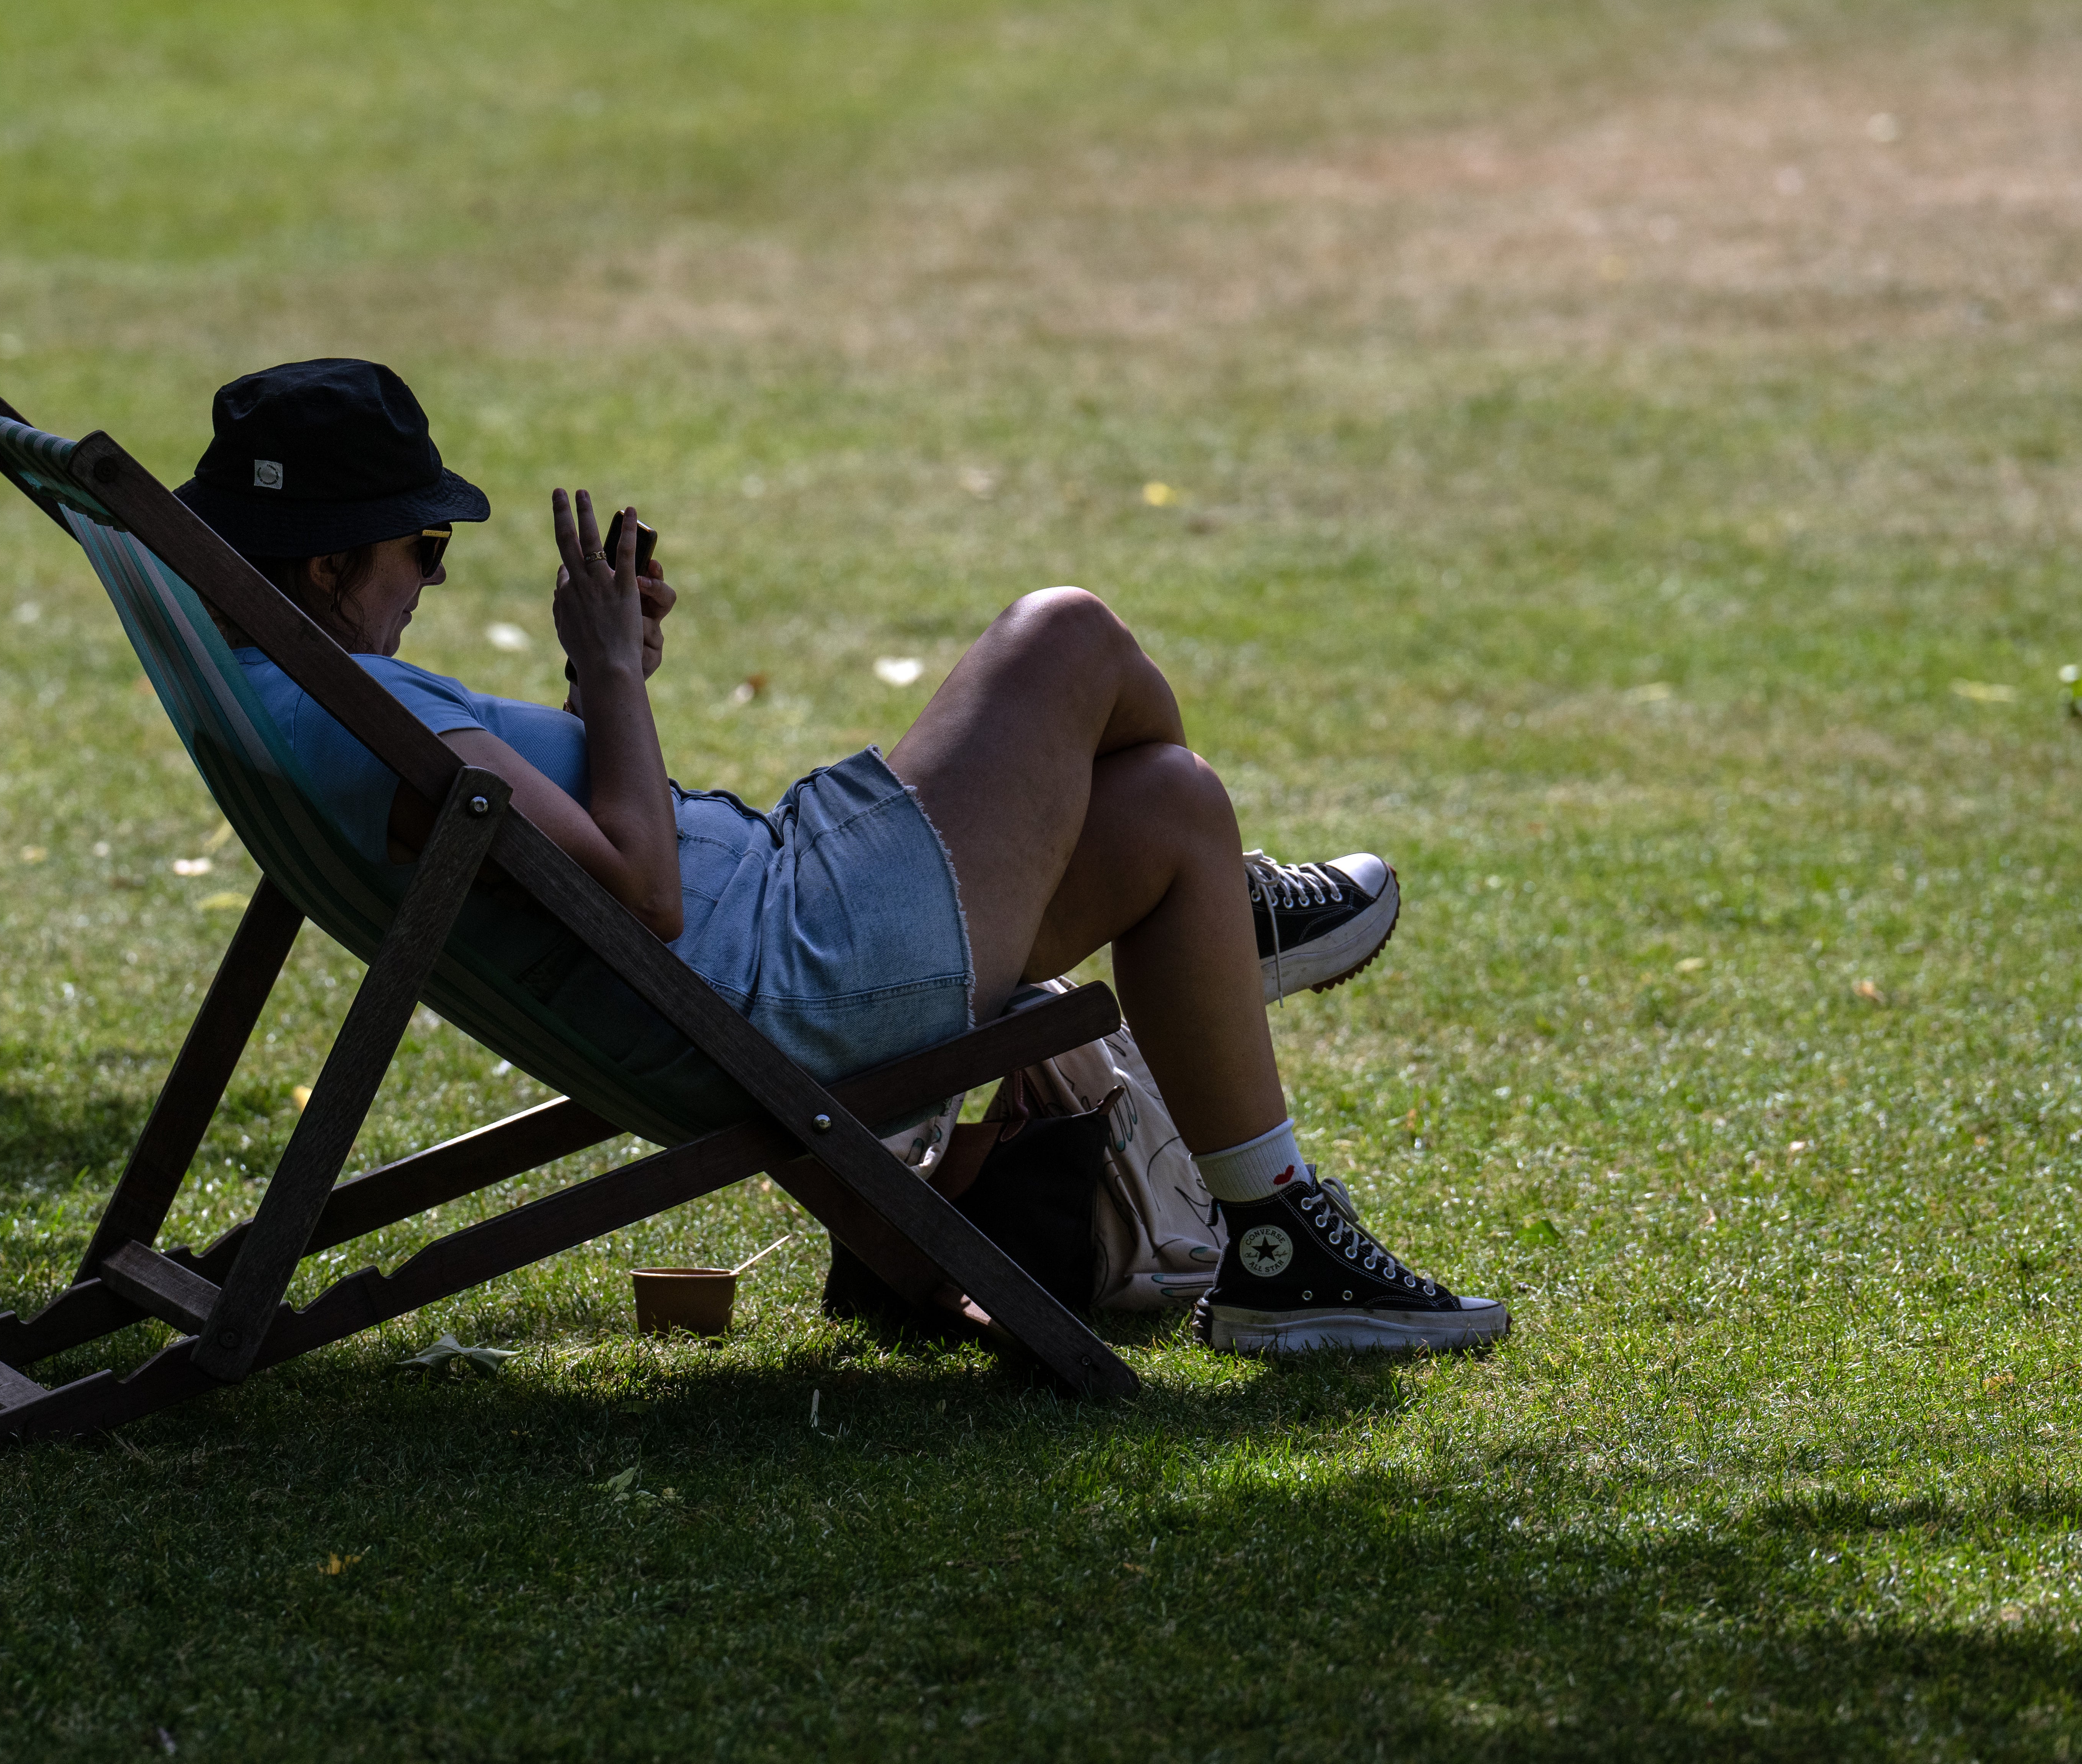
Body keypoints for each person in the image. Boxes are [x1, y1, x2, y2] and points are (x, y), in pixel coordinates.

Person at [176, 359, 1506, 1356]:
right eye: (426, 548)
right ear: (329, 560)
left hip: (773, 943)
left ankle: (1273, 1237)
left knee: (1167, 810)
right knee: (1066, 632)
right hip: (800, 975)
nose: (434, 579)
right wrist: (607, 677)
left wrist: (614, 681)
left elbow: (575, 877)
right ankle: (1243, 935)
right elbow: (637, 892)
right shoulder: (373, 719)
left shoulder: (300, 699)